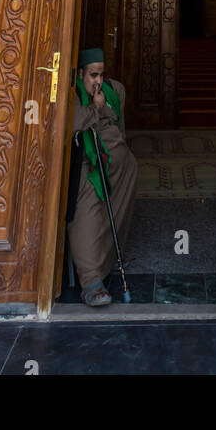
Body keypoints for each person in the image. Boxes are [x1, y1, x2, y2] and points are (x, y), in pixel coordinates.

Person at [66, 47, 138, 307]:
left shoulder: (112, 90)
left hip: (117, 166)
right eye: (92, 75)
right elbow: (70, 121)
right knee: (87, 210)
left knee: (124, 183)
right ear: (81, 73)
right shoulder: (70, 93)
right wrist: (96, 110)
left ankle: (108, 261)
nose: (97, 81)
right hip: (86, 165)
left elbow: (119, 126)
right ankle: (91, 281)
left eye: (101, 75)